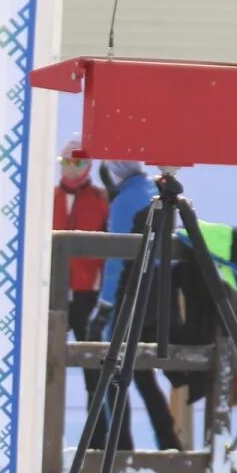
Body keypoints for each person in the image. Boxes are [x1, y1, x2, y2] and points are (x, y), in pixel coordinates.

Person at [91, 160, 181, 451]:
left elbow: (115, 258)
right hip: (158, 291)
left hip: (130, 293)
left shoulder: (123, 202)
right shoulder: (155, 189)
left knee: (115, 368)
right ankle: (168, 440)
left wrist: (105, 304)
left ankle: (120, 446)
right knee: (141, 372)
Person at [52, 140, 111, 445]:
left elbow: (111, 249)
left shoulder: (101, 199)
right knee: (47, 364)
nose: (70, 169)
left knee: (93, 366)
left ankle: (98, 440)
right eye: (65, 162)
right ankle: (43, 436)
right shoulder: (48, 197)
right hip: (53, 293)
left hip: (87, 293)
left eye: (76, 163)